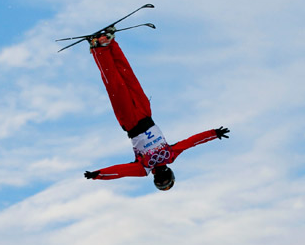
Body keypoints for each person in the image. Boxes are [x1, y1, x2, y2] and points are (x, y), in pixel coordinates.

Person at [83, 27, 230, 191]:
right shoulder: (170, 155)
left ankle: (98, 48)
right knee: (129, 77)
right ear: (170, 174)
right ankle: (110, 43)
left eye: (160, 180)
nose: (161, 176)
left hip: (130, 122)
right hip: (145, 114)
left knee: (116, 85)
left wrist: (98, 174)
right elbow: (191, 142)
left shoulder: (143, 169)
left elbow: (120, 171)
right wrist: (213, 133)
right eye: (164, 179)